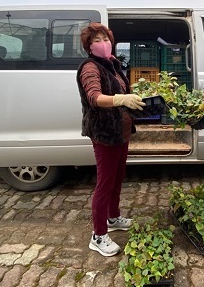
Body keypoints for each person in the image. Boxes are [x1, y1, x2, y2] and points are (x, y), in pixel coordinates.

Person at [76, 22, 145, 257]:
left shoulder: (112, 64)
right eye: (96, 40)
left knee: (117, 178)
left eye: (105, 38)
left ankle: (113, 217)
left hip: (121, 131)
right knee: (104, 183)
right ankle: (98, 235)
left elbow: (124, 89)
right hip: (105, 132)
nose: (102, 43)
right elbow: (95, 97)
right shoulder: (90, 68)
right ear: (88, 46)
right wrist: (119, 100)